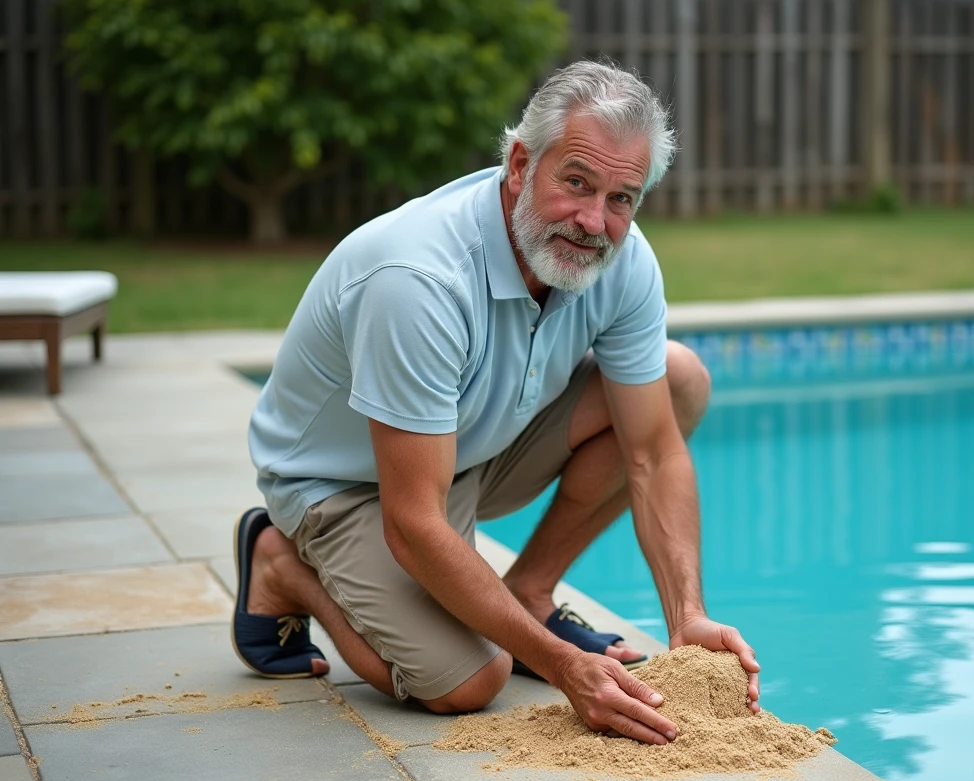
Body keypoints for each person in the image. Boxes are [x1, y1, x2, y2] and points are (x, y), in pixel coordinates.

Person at [233, 60, 760, 746]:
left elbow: (655, 454)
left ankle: (529, 593)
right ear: (519, 163)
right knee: (468, 682)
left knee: (678, 377)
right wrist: (566, 666)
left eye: (622, 197)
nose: (594, 221)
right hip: (344, 486)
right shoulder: (417, 277)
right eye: (576, 182)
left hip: (472, 447)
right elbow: (414, 522)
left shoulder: (625, 262)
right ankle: (285, 565)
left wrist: (687, 617)